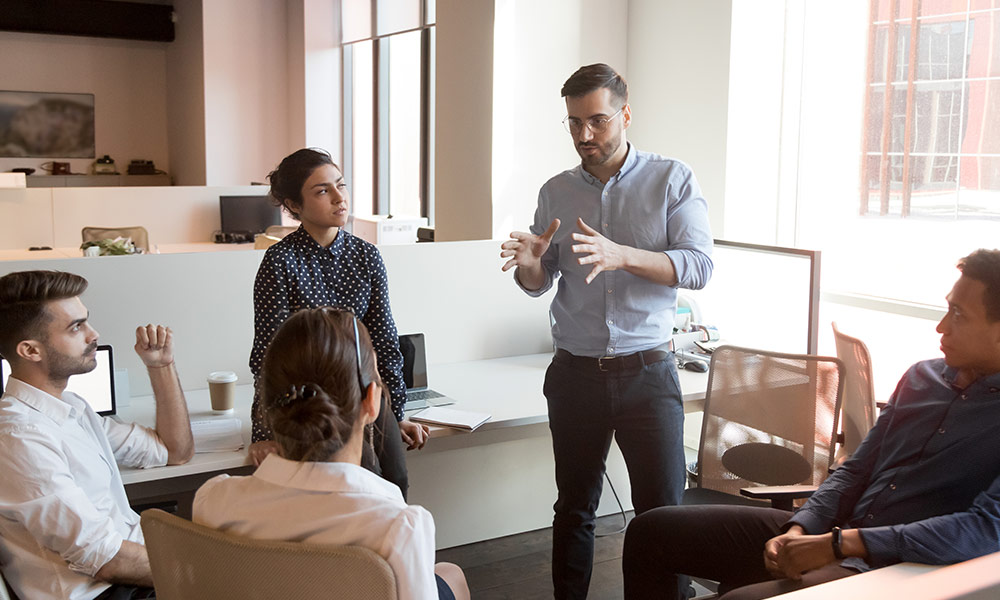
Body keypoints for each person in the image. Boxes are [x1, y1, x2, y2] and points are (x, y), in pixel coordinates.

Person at [622, 248, 1000, 600]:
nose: (941, 327)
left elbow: (984, 529)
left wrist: (841, 544)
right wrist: (802, 527)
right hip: (833, 533)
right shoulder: (922, 378)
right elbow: (856, 469)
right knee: (650, 532)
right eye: (947, 309)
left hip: (894, 566)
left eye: (960, 315)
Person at [500, 63, 713, 598]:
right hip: (576, 375)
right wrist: (530, 263)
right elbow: (539, 282)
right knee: (573, 508)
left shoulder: (672, 178)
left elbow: (698, 266)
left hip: (649, 373)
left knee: (661, 514)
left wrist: (622, 256)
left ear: (625, 114)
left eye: (596, 121)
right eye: (573, 123)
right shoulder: (556, 191)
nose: (584, 136)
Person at [194, 307, 470, 600]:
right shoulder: (399, 527)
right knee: (451, 573)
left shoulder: (213, 499)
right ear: (371, 402)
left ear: (267, 408)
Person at [0, 270, 195, 600]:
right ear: (30, 351)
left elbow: (173, 451)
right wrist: (205, 570)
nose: (94, 334)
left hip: (133, 574)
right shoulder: (20, 437)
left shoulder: (70, 408)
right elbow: (106, 560)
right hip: (105, 591)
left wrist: (161, 366)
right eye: (76, 327)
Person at [248, 148, 427, 498]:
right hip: (309, 401)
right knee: (355, 481)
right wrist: (263, 433)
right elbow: (268, 356)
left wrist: (398, 412)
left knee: (395, 481)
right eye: (322, 191)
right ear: (294, 205)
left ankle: (392, 550)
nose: (339, 198)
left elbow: (385, 342)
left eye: (340, 186)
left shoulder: (367, 255)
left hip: (365, 390)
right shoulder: (279, 262)